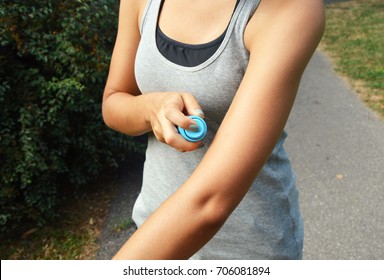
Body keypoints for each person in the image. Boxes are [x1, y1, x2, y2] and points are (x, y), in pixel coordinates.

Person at [102, 0, 325, 259]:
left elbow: (210, 201)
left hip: (246, 251)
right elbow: (113, 100)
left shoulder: (291, 8)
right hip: (155, 234)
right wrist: (151, 109)